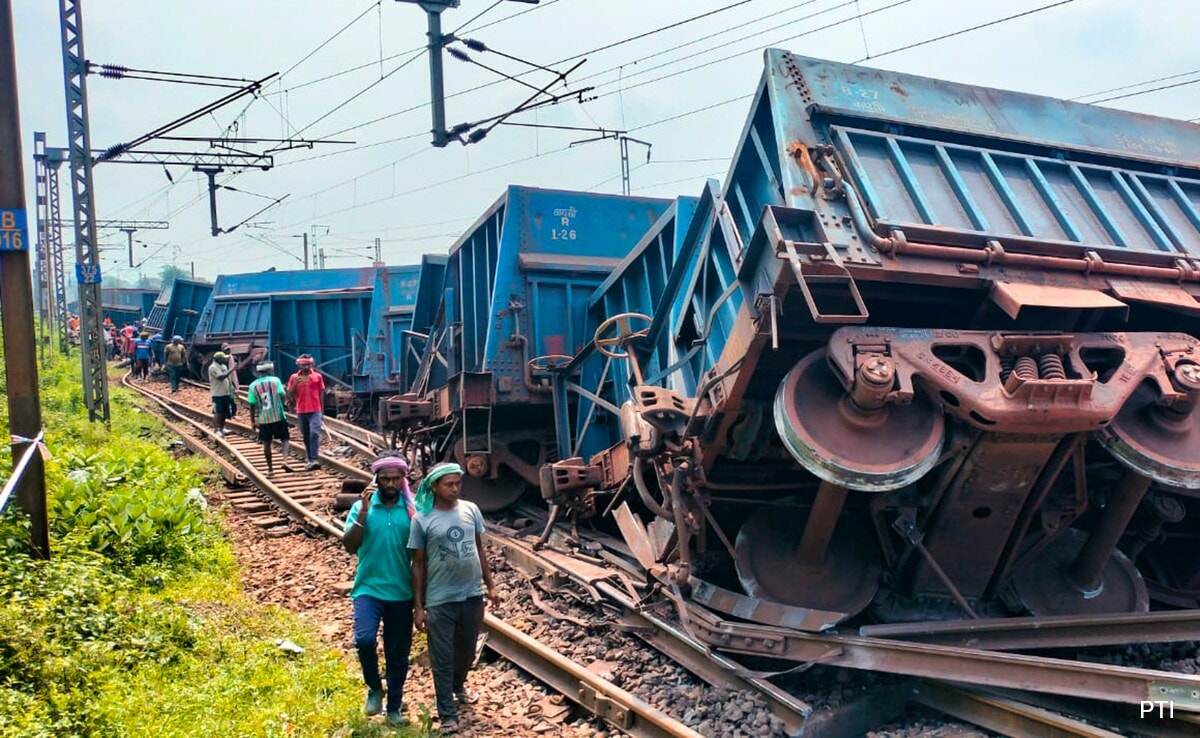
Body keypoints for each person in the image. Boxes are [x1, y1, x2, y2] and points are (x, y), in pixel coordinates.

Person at [409, 463, 500, 735]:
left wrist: (491, 585)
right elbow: (418, 563)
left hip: (472, 594)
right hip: (440, 599)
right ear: (435, 487)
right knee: (442, 658)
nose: (455, 488)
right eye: (449, 484)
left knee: (468, 651)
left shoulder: (470, 509)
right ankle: (447, 714)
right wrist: (418, 606)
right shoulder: (422, 519)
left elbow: (479, 549)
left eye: (458, 483)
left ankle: (458, 685)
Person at [344, 452, 418, 726]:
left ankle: (394, 707)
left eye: (396, 479)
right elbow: (349, 546)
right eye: (385, 479)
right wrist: (364, 511)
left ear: (403, 480)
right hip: (368, 588)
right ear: (376, 480)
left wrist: (420, 601)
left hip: (401, 592)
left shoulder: (411, 510)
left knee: (397, 654)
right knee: (364, 640)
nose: (390, 484)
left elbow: (420, 559)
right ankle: (374, 687)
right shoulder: (360, 507)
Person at [246, 362, 293, 477]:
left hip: (264, 419)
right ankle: (285, 461)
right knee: (285, 439)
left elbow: (252, 404)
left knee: (266, 444)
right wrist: (288, 402)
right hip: (278, 416)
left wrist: (253, 421)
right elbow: (283, 395)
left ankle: (270, 469)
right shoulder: (275, 381)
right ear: (269, 371)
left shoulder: (253, 386)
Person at [286, 354, 325, 471]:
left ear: (311, 364)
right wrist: (295, 384)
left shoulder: (317, 376)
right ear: (299, 365)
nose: (306, 367)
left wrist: (322, 410)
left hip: (315, 410)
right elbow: (289, 395)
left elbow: (321, 393)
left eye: (308, 365)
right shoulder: (294, 377)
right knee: (306, 435)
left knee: (314, 433)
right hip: (302, 410)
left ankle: (314, 459)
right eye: (303, 365)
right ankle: (310, 459)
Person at [208, 352, 237, 436]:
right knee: (218, 412)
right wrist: (232, 369)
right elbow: (220, 377)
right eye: (223, 358)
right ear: (219, 359)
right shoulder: (213, 367)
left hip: (226, 393)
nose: (225, 359)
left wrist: (232, 388)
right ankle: (216, 429)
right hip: (217, 394)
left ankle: (222, 428)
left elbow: (228, 378)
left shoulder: (223, 366)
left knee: (224, 412)